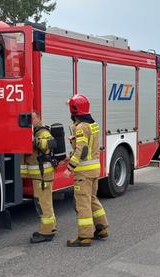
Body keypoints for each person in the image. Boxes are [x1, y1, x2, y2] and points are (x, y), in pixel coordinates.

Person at [63, 94, 109, 247]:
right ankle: (102, 228)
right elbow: (88, 147)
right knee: (92, 199)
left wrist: (70, 168)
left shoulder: (81, 127)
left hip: (83, 172)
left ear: (74, 110)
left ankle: (84, 237)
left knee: (82, 203)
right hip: (95, 169)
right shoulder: (93, 124)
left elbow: (82, 150)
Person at [21, 111, 57, 243]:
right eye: (29, 118)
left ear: (39, 118)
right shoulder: (34, 132)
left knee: (43, 203)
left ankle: (47, 232)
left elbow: (51, 144)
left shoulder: (42, 132)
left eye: (33, 118)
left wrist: (34, 141)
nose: (31, 120)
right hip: (40, 176)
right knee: (44, 202)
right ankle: (50, 227)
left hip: (43, 175)